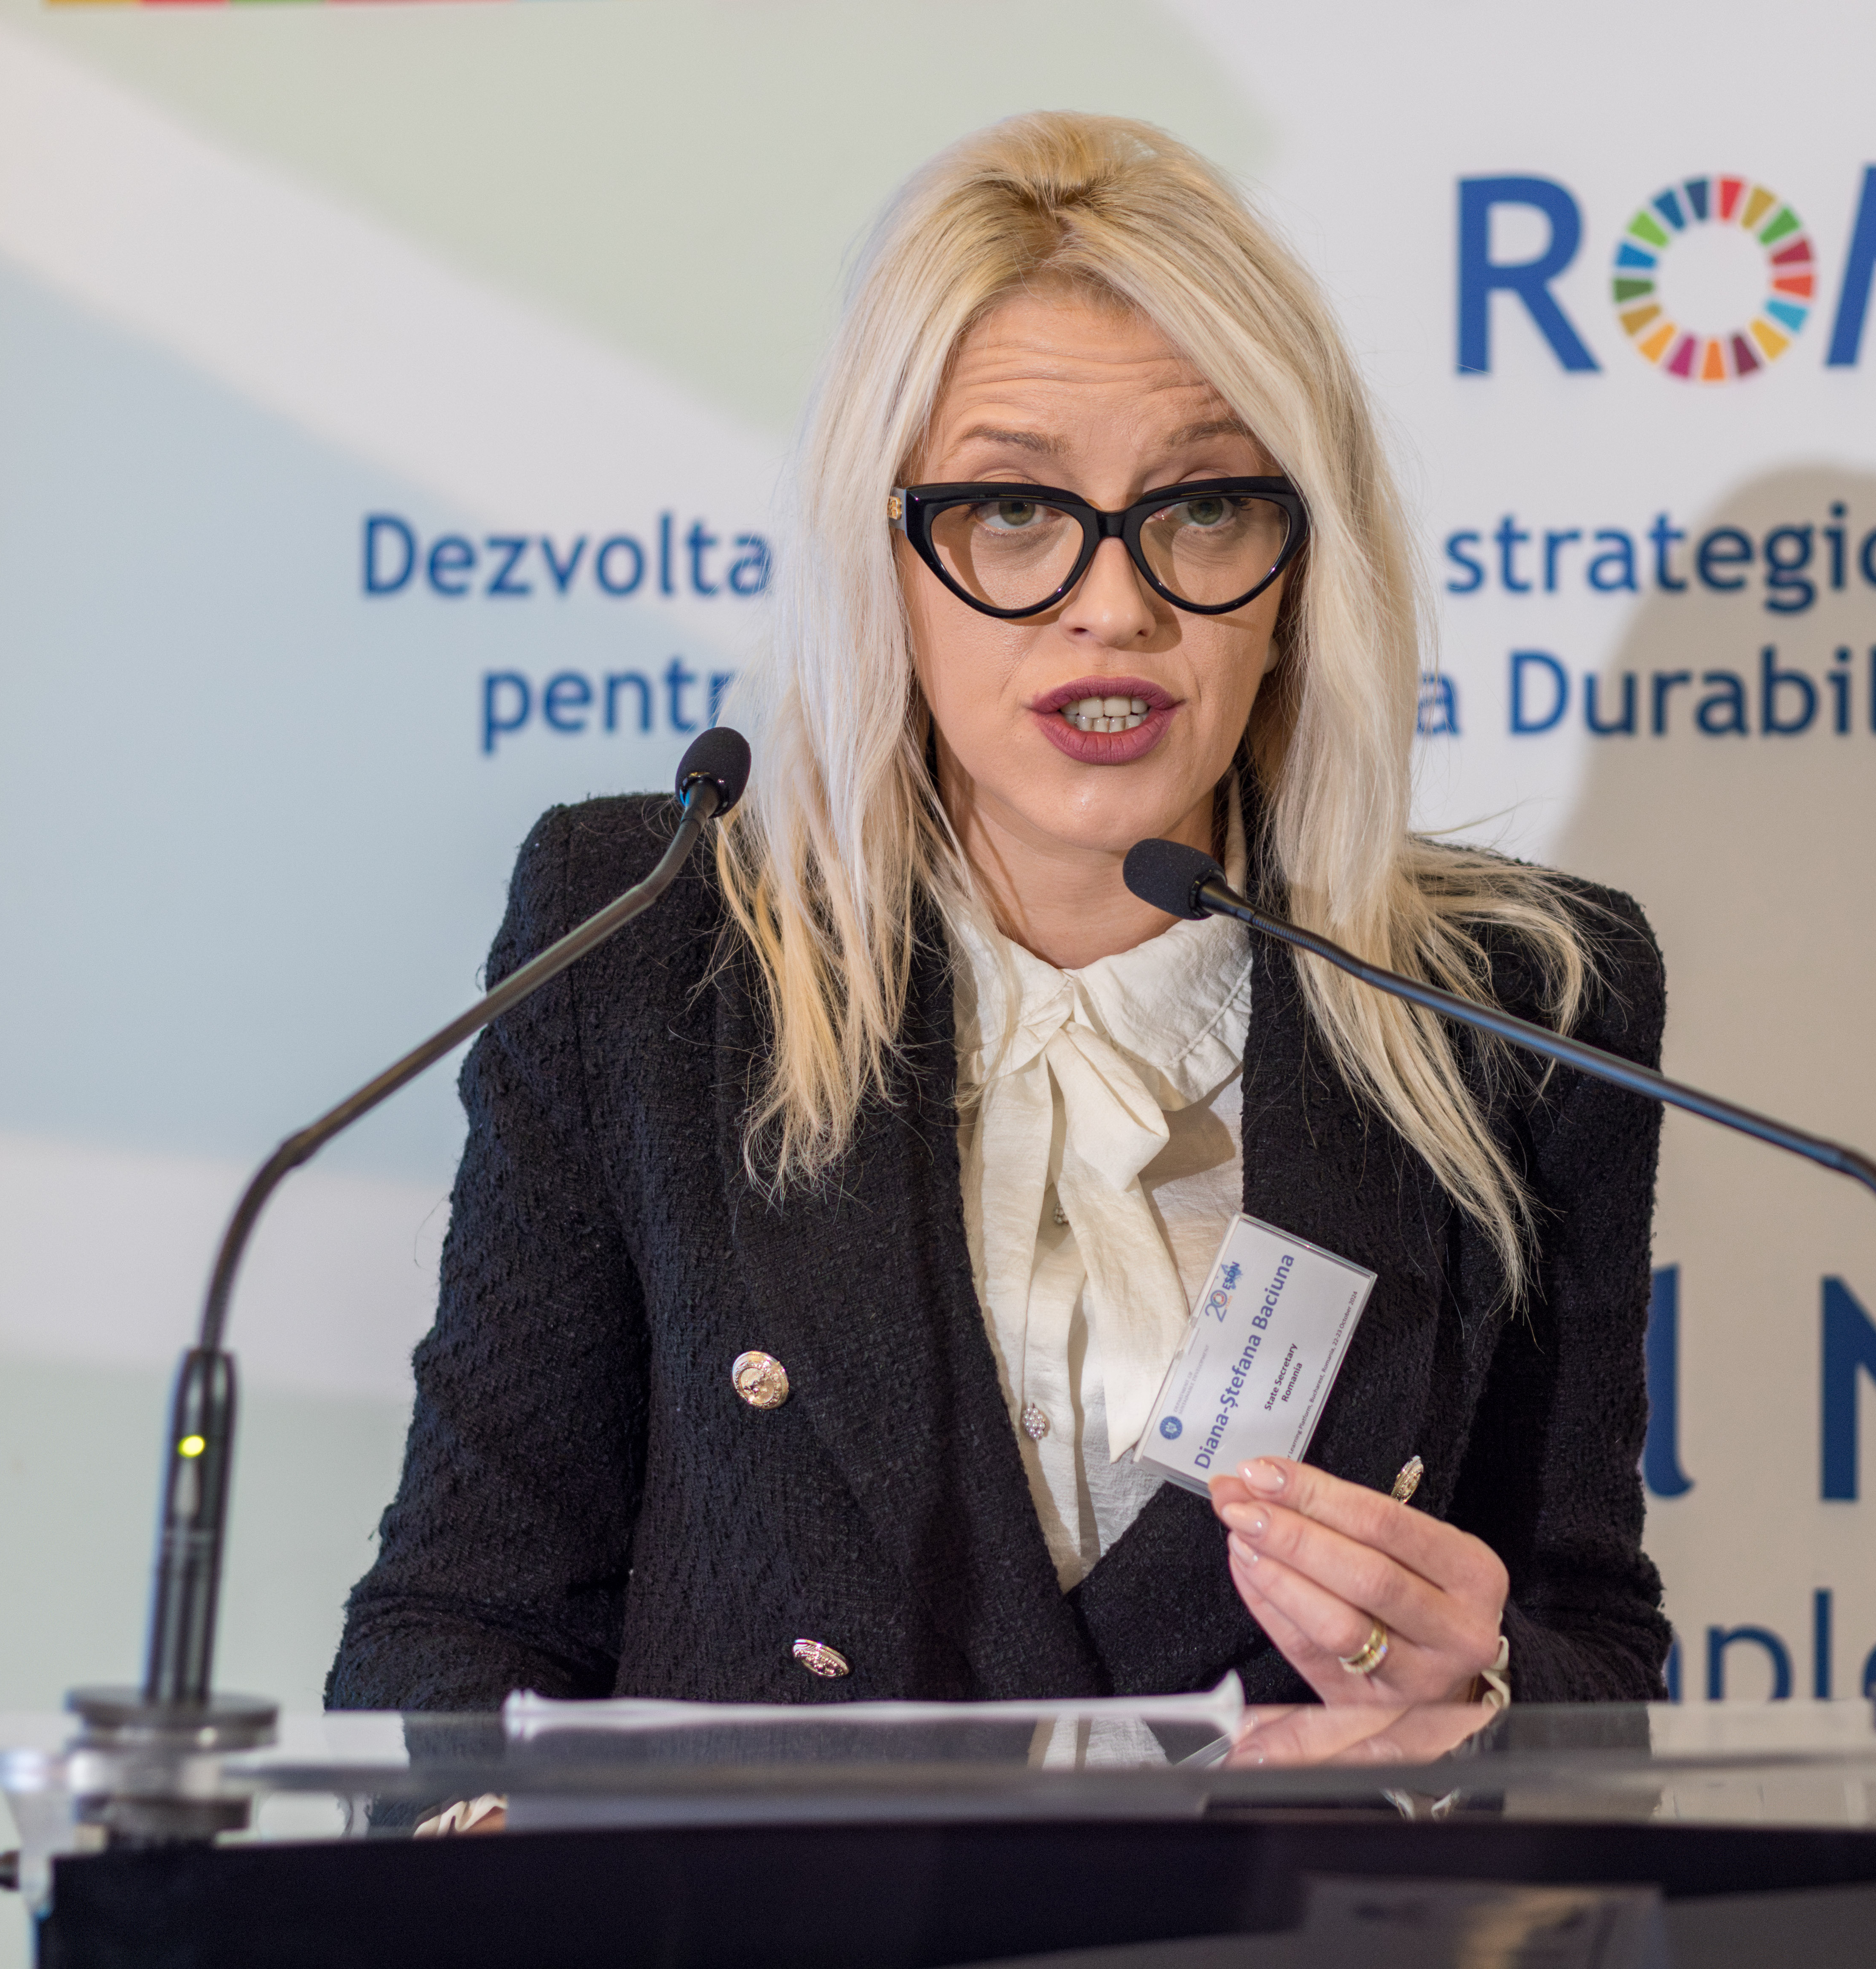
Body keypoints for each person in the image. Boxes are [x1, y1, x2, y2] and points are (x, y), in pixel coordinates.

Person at [326, 111, 1671, 1719]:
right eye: (1014, 510)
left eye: (1205, 506)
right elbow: (453, 1632)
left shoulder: (1517, 1006)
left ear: (1303, 566)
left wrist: (1485, 1699)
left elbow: (1591, 1643)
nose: (1116, 606)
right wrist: (488, 1845)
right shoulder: (654, 945)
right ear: (881, 550)